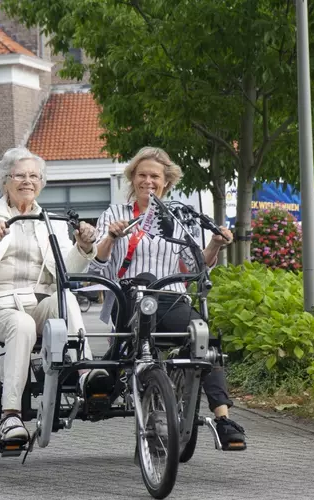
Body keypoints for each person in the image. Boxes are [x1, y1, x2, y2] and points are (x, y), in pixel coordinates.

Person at [90, 146, 247, 451]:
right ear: (132, 178)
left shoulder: (176, 216)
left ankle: (223, 418)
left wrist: (215, 245)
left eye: (155, 176)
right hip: (128, 302)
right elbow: (97, 266)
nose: (148, 181)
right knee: (144, 285)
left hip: (171, 300)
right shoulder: (114, 214)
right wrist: (110, 237)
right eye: (142, 175)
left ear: (166, 182)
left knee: (205, 339)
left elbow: (195, 266)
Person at [0, 147, 98, 445]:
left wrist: (83, 247)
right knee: (20, 324)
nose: (27, 181)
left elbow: (64, 272)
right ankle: (10, 416)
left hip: (37, 303)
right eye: (19, 175)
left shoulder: (50, 220)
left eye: (34, 175)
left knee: (65, 299)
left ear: (42, 182)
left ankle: (86, 372)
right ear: (5, 180)